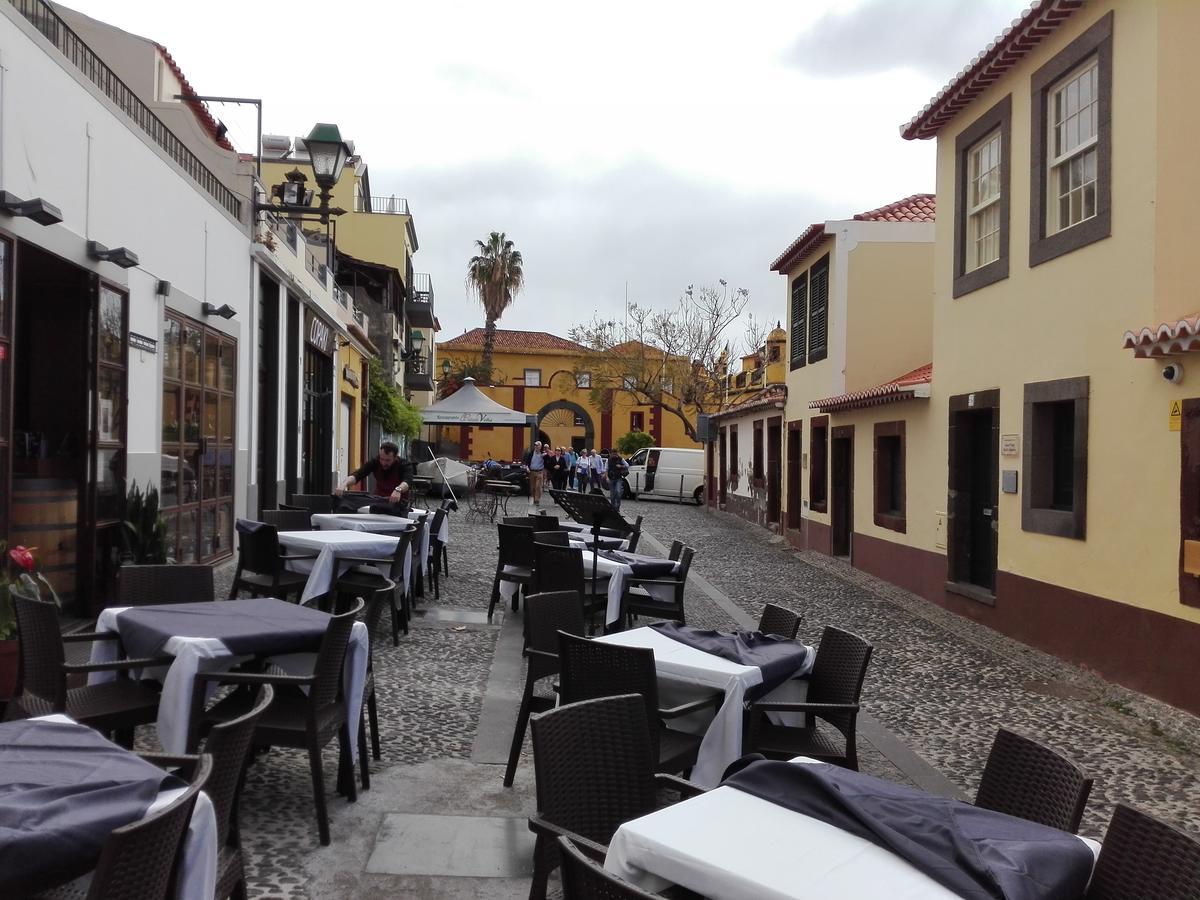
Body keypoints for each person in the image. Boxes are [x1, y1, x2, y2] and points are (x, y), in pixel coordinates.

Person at [336, 440, 411, 504]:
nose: (383, 463)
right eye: (382, 459)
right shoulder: (375, 462)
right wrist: (344, 484)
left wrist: (398, 490)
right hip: (379, 501)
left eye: (388, 460)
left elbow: (407, 482)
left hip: (399, 502)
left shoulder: (404, 464)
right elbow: (358, 475)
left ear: (395, 457)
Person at [522, 440, 547, 506]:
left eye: (537, 445)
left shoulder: (543, 454)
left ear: (540, 446)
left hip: (540, 472)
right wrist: (527, 467)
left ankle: (537, 500)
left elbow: (548, 461)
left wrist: (545, 456)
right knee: (532, 487)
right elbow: (527, 462)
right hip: (532, 471)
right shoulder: (531, 453)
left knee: (538, 486)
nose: (536, 446)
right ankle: (533, 497)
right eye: (535, 445)